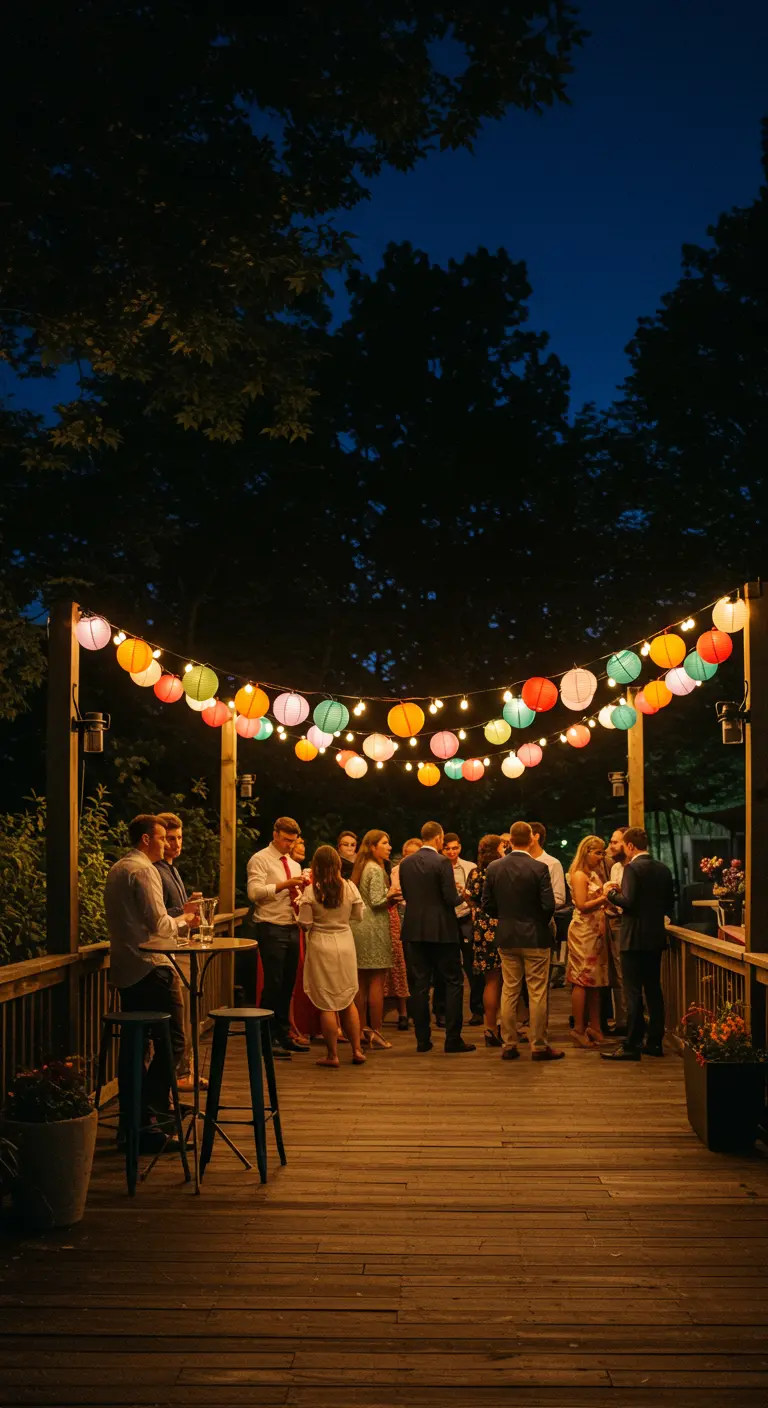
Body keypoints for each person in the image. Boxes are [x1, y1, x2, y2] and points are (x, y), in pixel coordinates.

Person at [104, 815, 197, 1148]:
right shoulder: (144, 871)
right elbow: (160, 925)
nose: (167, 842)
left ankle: (133, 1125)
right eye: (162, 837)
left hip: (125, 969)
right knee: (175, 1042)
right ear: (146, 839)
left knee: (135, 1049)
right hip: (151, 966)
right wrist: (187, 917)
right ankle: (152, 1118)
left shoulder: (118, 868)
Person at [482, 821, 563, 1061]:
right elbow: (549, 905)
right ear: (530, 840)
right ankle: (538, 1045)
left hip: (507, 935)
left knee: (509, 989)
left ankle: (509, 1044)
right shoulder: (538, 868)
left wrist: (505, 918)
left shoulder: (494, 868)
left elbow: (487, 904)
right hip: (535, 936)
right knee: (537, 991)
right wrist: (536, 921)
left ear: (510, 841)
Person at [601, 827, 675, 1062]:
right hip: (655, 936)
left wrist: (610, 894)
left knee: (632, 991)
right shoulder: (663, 869)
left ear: (631, 846)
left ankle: (632, 1044)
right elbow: (668, 903)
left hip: (633, 937)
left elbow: (628, 902)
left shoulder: (632, 868)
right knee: (654, 989)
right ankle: (654, 1041)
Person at [399, 821, 474, 1055]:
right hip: (442, 929)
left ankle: (422, 1040)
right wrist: (465, 894)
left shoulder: (406, 863)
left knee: (419, 985)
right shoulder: (442, 862)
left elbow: (407, 894)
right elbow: (451, 898)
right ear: (439, 838)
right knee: (453, 982)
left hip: (414, 929)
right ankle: (452, 1038)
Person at [298, 845, 367, 1067]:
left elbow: (306, 924)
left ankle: (332, 1055)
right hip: (345, 942)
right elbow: (358, 915)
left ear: (316, 867)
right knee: (347, 999)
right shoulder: (349, 887)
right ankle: (357, 1050)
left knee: (327, 1003)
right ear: (338, 864)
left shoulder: (311, 892)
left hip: (321, 943)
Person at [246, 816, 309, 1055]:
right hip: (270, 925)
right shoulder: (260, 860)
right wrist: (284, 885)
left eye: (292, 842)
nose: (289, 846)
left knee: (287, 983)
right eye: (285, 840)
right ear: (275, 834)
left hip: (291, 925)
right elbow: (254, 893)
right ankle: (265, 1037)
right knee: (272, 982)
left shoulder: (293, 864)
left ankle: (283, 1033)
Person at [154, 811, 202, 1092]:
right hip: (164, 954)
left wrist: (192, 907)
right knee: (175, 1027)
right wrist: (185, 911)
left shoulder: (172, 869)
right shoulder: (155, 871)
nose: (175, 843)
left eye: (179, 838)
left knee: (182, 1020)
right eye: (169, 838)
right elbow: (157, 917)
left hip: (178, 949)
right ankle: (173, 1082)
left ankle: (179, 1076)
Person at [351, 830, 397, 1049]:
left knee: (360, 982)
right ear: (372, 847)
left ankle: (359, 1029)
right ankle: (375, 1032)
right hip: (374, 928)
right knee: (377, 981)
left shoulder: (362, 867)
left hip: (358, 926)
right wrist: (393, 893)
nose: (389, 847)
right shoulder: (376, 869)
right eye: (385, 843)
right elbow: (377, 900)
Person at [566, 835, 610, 1047]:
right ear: (586, 852)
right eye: (598, 853)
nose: (601, 858)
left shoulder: (594, 874)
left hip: (596, 931)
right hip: (583, 931)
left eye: (602, 853)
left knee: (596, 981)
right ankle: (578, 1028)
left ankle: (596, 1026)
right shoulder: (579, 876)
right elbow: (582, 904)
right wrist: (606, 897)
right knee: (582, 979)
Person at [465, 834, 506, 1045]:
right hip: (500, 924)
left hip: (481, 925)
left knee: (490, 979)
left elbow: (470, 897)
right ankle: (500, 1026)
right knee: (503, 980)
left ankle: (489, 1027)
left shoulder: (475, 872)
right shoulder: (500, 869)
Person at [443, 832, 484, 1025]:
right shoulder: (439, 866)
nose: (451, 852)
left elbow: (477, 893)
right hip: (447, 917)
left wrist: (466, 895)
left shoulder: (470, 867)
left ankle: (477, 1009)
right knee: (446, 965)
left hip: (467, 916)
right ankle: (442, 1010)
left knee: (472, 964)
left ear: (460, 847)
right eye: (448, 848)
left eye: (455, 848)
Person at [603, 826, 630, 1032]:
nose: (610, 845)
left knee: (626, 973)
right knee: (616, 974)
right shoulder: (614, 868)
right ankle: (621, 1020)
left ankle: (631, 1020)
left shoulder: (633, 868)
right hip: (612, 921)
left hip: (626, 922)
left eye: (614, 842)